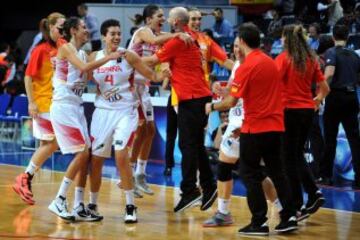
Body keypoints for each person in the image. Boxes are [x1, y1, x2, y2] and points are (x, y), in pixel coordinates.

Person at [206, 23, 297, 235]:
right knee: (277, 173)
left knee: (249, 173)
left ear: (243, 42)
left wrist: (211, 106)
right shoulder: (270, 62)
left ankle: (259, 222)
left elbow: (230, 103)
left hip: (254, 128)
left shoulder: (247, 66)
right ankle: (289, 216)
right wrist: (226, 89)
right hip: (276, 127)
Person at [88, 19, 167, 223]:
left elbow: (151, 75)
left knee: (122, 154)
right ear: (104, 36)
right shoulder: (94, 57)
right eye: (112, 33)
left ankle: (130, 205)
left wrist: (164, 74)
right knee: (96, 160)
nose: (116, 37)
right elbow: (82, 76)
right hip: (102, 112)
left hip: (126, 111)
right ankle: (92, 204)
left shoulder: (128, 55)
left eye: (118, 33)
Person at [47, 16, 122, 222]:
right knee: (82, 152)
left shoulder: (81, 53)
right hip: (63, 107)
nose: (87, 31)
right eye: (83, 28)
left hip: (77, 107)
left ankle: (79, 205)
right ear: (73, 31)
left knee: (86, 155)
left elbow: (90, 75)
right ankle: (59, 199)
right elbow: (84, 68)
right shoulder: (67, 49)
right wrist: (109, 57)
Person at [143, 7, 217, 213]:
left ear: (175, 21)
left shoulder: (178, 41)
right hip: (197, 97)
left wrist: (126, 58)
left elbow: (152, 60)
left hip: (193, 99)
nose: (166, 20)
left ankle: (190, 190)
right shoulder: (184, 38)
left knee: (187, 144)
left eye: (169, 18)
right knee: (195, 144)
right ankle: (209, 187)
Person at [128, 4, 192, 196]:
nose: (162, 19)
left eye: (164, 16)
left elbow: (164, 53)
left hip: (144, 87)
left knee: (150, 130)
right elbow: (157, 40)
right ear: (148, 19)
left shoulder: (161, 36)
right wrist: (176, 35)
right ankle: (128, 175)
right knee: (140, 129)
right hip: (130, 87)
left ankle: (140, 174)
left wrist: (167, 73)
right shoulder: (143, 31)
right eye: (159, 16)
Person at [275, 24, 329, 220]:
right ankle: (312, 194)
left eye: (282, 37)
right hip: (307, 111)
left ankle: (299, 203)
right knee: (296, 155)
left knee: (288, 158)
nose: (280, 41)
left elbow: (271, 84)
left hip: (288, 111)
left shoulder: (283, 59)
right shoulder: (310, 59)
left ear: (287, 39)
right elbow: (325, 89)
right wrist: (316, 100)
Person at [12, 12, 66, 205]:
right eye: (60, 28)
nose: (63, 31)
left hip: (57, 103)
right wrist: (31, 102)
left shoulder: (63, 47)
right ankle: (25, 177)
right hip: (43, 103)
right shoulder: (40, 49)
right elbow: (28, 77)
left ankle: (27, 181)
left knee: (47, 146)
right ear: (50, 28)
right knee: (55, 143)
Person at [319, 24, 360, 189]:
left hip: (335, 97)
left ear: (333, 37)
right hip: (351, 97)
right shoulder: (355, 55)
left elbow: (328, 74)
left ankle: (326, 176)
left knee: (330, 138)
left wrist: (320, 95)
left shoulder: (331, 52)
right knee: (355, 140)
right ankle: (359, 180)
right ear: (348, 36)